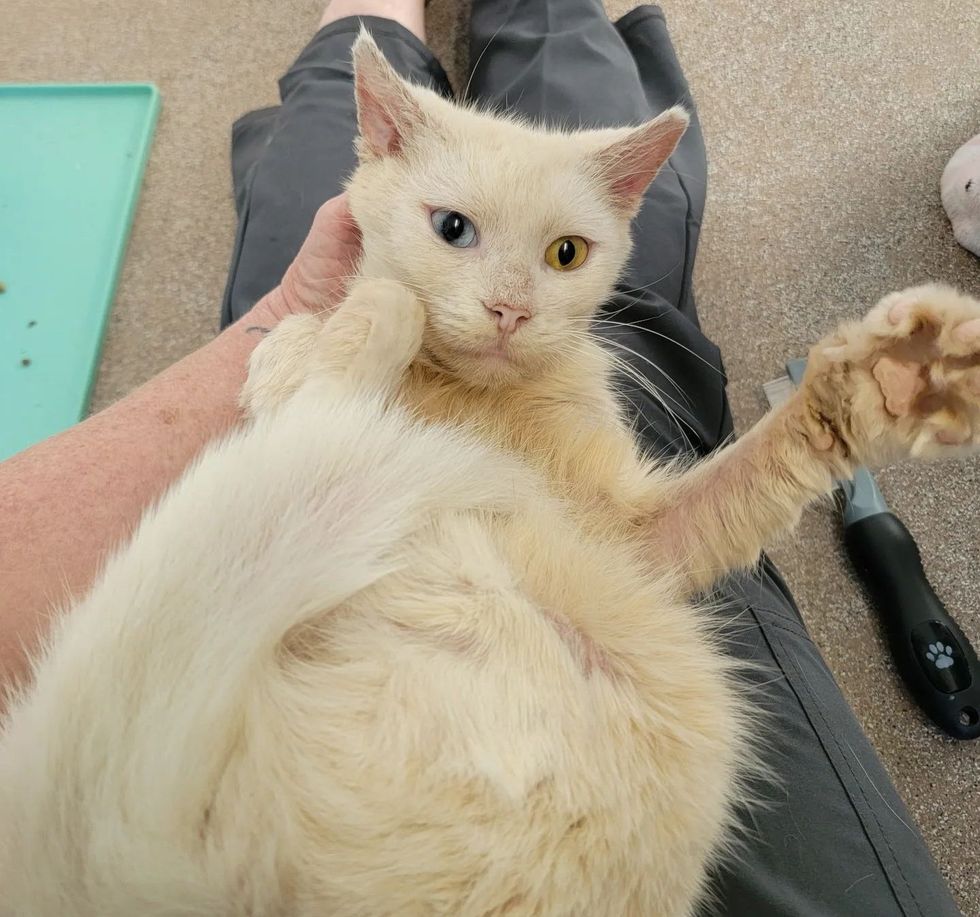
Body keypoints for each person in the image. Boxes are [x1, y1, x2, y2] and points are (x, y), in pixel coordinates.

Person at [0, 2, 960, 914]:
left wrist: (807, 433)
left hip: (495, 781)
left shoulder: (368, 352)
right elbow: (645, 555)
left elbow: (644, 544)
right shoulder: (334, 331)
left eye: (567, 255)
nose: (511, 304)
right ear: (383, 161)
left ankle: (375, 19)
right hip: (520, 790)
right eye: (453, 230)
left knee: (327, 243)